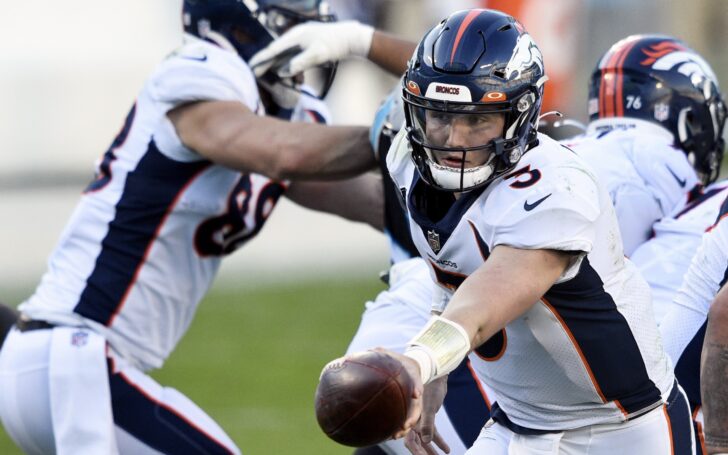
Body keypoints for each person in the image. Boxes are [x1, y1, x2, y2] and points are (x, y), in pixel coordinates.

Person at [0, 1, 384, 454]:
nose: (307, 19)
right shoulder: (204, 73)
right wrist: (394, 127)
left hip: (81, 367)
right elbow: (283, 153)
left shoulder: (283, 117)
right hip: (73, 355)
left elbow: (377, 201)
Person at [320, 9, 693, 454]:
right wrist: (436, 375)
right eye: (439, 115)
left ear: (520, 114)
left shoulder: (555, 186)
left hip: (623, 431)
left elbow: (486, 300)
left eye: (477, 119)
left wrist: (419, 361)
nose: (453, 139)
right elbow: (450, 274)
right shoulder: (409, 161)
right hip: (517, 425)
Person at [346, 87, 494, 455]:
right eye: (442, 122)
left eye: (475, 122)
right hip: (426, 317)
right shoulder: (407, 170)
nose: (456, 142)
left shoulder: (538, 188)